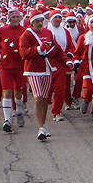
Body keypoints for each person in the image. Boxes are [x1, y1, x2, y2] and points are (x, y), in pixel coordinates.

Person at [19, 10, 66, 140]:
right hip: (33, 70)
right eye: (37, 21)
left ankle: (43, 125)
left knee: (44, 99)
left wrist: (66, 60)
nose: (40, 23)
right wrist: (39, 49)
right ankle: (40, 128)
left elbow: (57, 49)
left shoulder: (48, 33)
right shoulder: (26, 35)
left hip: (47, 68)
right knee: (38, 97)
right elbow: (23, 53)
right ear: (32, 22)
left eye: (41, 21)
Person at [0, 8, 27, 133]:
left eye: (17, 17)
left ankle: (19, 110)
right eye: (13, 17)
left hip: (20, 66)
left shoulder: (25, 30)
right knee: (6, 92)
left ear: (20, 18)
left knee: (18, 92)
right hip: (5, 66)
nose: (15, 19)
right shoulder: (2, 30)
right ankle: (7, 120)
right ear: (9, 19)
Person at [47, 10, 75, 122]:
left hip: (61, 63)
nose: (58, 19)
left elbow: (71, 45)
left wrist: (69, 54)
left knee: (60, 88)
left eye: (59, 17)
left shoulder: (65, 31)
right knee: (48, 88)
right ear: (51, 19)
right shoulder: (46, 31)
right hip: (48, 63)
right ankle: (43, 106)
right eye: (55, 17)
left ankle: (56, 111)